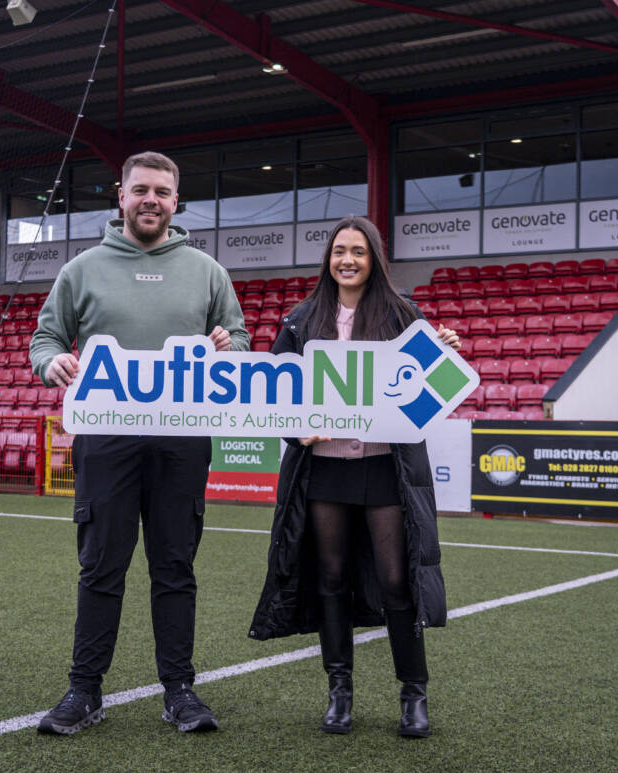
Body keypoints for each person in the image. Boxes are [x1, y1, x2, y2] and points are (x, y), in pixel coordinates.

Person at [31, 151, 249, 735]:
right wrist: (52, 363)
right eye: (140, 190)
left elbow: (244, 343)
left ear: (177, 201)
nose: (151, 199)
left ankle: (179, 691)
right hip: (105, 438)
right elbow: (46, 338)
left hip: (183, 440)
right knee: (101, 565)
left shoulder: (208, 271)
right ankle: (84, 690)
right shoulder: (81, 269)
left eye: (162, 191)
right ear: (120, 196)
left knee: (174, 566)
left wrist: (231, 346)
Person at [249, 216, 459, 738]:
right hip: (324, 473)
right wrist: (297, 434)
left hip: (386, 468)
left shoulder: (402, 314)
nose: (347, 260)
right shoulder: (301, 319)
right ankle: (339, 693)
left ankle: (414, 695)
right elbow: (276, 393)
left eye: (358, 252)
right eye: (339, 251)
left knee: (395, 579)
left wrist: (442, 351)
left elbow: (429, 386)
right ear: (328, 258)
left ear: (374, 259)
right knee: (332, 579)